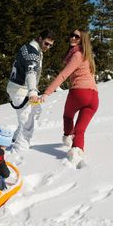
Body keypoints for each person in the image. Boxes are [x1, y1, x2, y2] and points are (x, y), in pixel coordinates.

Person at [40, 29, 99, 163]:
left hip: (79, 92)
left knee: (68, 116)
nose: (72, 38)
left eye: (76, 37)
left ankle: (67, 136)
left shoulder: (77, 55)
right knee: (80, 129)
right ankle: (77, 150)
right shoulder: (88, 56)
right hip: (94, 97)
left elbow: (63, 75)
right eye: (71, 35)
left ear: (82, 40)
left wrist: (46, 93)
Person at [7, 30, 56, 153]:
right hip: (21, 90)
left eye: (50, 45)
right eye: (46, 43)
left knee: (35, 112)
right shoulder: (32, 53)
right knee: (27, 123)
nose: (48, 47)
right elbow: (31, 73)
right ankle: (19, 151)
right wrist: (33, 92)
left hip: (19, 88)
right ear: (40, 38)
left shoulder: (29, 47)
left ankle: (15, 138)